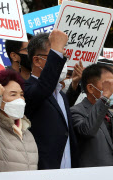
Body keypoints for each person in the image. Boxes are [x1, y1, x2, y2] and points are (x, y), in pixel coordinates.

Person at [24, 30, 79, 169]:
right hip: (44, 175)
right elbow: (43, 89)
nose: (62, 63)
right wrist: (57, 49)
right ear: (36, 60)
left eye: (63, 57)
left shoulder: (61, 95)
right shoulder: (25, 89)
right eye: (56, 56)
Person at [71, 63, 113, 167]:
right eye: (107, 85)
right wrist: (104, 97)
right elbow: (88, 131)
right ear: (91, 88)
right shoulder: (76, 111)